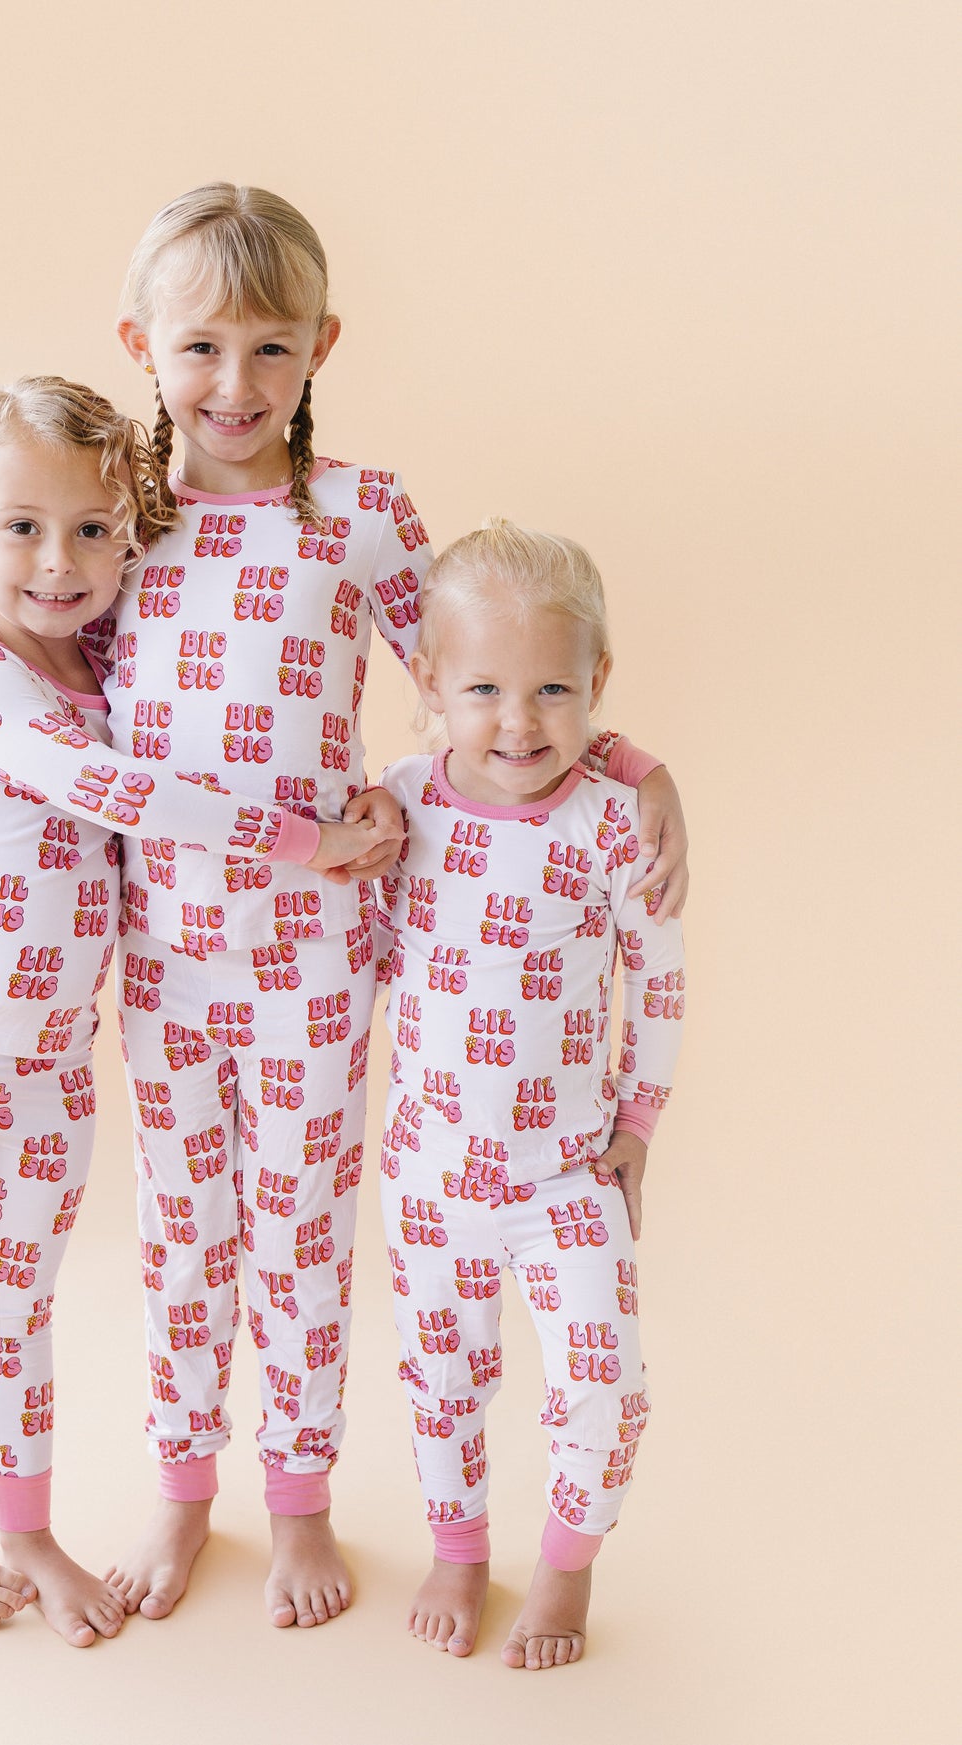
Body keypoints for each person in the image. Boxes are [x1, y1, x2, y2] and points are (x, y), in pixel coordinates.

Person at [0, 183, 690, 1631]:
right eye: (199, 348)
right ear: (142, 345)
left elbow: (485, 669)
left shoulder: (363, 517)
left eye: (269, 348)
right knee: (183, 1237)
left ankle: (297, 1500)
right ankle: (185, 1492)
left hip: (316, 961)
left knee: (303, 1234)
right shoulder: (119, 523)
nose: (233, 384)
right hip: (160, 959)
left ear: (321, 346)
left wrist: (627, 759)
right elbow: (31, 651)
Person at [0, 375, 379, 1644]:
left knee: (15, 1305)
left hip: (48, 1070)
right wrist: (306, 842)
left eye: (92, 529)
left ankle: (26, 1531)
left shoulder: (107, 663)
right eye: (21, 528)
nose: (59, 560)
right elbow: (119, 791)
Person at [373, 520, 684, 1667]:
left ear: (596, 682)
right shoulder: (398, 804)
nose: (518, 721)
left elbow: (658, 978)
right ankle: (457, 1549)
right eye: (483, 689)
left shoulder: (613, 822)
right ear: (428, 681)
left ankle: (563, 1570)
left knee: (605, 1382)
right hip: (430, 1172)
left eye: (552, 688)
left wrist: (638, 1121)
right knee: (441, 1376)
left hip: (566, 1170)